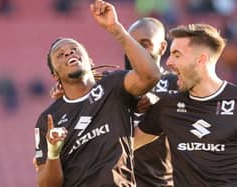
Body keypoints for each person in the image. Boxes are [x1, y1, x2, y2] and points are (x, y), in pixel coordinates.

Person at [34, 1, 161, 187]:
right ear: (55, 75)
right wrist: (53, 151)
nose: (69, 52)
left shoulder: (114, 85)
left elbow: (151, 76)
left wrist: (115, 28)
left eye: (75, 49)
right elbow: (47, 185)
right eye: (60, 55)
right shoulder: (48, 119)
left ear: (90, 61)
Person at [135, 23, 237, 186]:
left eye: (177, 55)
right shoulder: (167, 105)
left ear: (201, 59)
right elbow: (126, 145)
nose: (169, 62)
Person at [125, 17, 178, 187]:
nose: (137, 50)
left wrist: (157, 102)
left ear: (162, 47)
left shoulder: (177, 84)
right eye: (132, 43)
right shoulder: (112, 84)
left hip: (160, 182)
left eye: (145, 44)